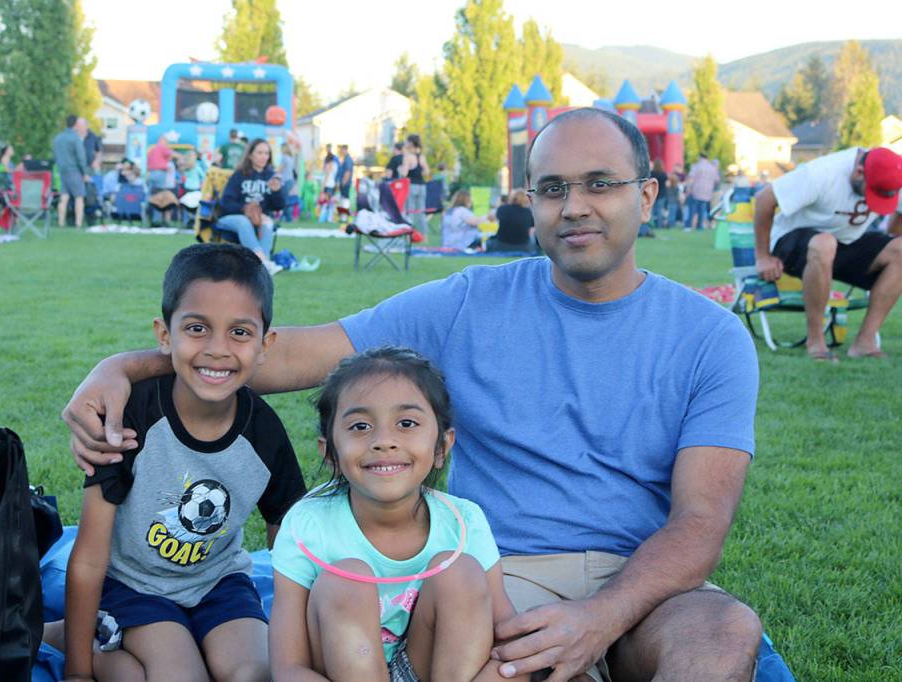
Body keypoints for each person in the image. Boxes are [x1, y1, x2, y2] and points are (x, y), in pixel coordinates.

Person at [64, 107, 763, 682]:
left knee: (725, 633)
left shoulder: (710, 337)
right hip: (494, 575)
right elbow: (294, 354)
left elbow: (700, 522)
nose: (574, 207)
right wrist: (122, 369)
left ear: (646, 195)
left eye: (599, 184)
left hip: (643, 583)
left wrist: (601, 618)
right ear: (531, 201)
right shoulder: (471, 303)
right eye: (552, 188)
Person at [61, 243, 306, 682]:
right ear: (164, 335)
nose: (217, 349)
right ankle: (91, 648)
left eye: (239, 332)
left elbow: (288, 539)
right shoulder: (130, 416)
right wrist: (78, 673)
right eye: (197, 328)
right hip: (136, 586)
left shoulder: (265, 433)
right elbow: (88, 558)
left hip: (220, 583)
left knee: (256, 674)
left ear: (264, 344)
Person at [269, 347, 523, 682]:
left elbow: (507, 641)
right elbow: (288, 668)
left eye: (406, 423)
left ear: (442, 447)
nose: (384, 441)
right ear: (330, 452)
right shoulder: (308, 525)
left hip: (431, 668)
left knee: (460, 572)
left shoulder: (464, 522)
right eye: (360, 426)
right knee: (346, 579)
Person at [753, 146, 902, 361]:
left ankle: (865, 342)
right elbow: (764, 199)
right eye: (872, 193)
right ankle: (816, 341)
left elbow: (897, 220)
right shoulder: (822, 173)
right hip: (791, 241)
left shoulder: (894, 176)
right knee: (824, 243)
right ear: (859, 172)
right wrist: (763, 257)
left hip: (844, 241)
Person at [218, 139, 285, 275]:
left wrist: (276, 192)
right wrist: (245, 209)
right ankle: (263, 262)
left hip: (258, 219)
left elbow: (278, 206)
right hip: (231, 218)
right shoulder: (239, 175)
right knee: (244, 221)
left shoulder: (270, 176)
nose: (264, 157)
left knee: (268, 222)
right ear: (250, 155)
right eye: (259, 153)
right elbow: (226, 203)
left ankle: (262, 267)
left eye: (266, 153)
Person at [53, 115, 91, 228]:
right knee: (79, 197)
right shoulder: (75, 138)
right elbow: (81, 157)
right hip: (74, 171)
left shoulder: (58, 138)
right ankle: (78, 223)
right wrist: (85, 173)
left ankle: (61, 222)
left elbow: (55, 155)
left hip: (62, 171)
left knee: (64, 197)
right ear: (75, 124)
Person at [402, 134, 430, 236]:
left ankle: (410, 235)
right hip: (422, 186)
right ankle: (424, 235)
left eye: (406, 141)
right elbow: (427, 172)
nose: (405, 143)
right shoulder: (421, 157)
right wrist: (419, 172)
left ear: (410, 143)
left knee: (410, 211)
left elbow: (404, 174)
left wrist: (401, 169)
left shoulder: (408, 157)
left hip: (411, 186)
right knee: (421, 212)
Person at [684, 153, 719, 230]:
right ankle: (699, 226)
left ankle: (688, 226)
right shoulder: (712, 168)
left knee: (692, 210)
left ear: (700, 157)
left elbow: (691, 179)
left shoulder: (696, 166)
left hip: (696, 191)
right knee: (702, 210)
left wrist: (688, 189)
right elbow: (716, 180)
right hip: (707, 193)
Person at [649, 159, 668, 228]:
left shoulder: (652, 173)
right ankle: (659, 225)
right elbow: (666, 185)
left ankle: (651, 225)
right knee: (659, 211)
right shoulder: (664, 174)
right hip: (662, 194)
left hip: (653, 193)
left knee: (652, 210)